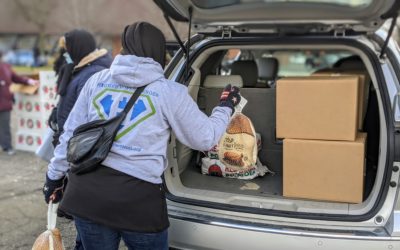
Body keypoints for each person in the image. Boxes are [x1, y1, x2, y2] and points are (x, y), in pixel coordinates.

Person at [42, 21, 241, 249]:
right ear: (157, 51)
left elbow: (70, 135)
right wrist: (225, 106)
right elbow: (204, 138)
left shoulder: (96, 81)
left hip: (87, 196)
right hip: (138, 204)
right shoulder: (169, 92)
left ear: (125, 48)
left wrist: (53, 177)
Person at [52, 29, 112, 146]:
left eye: (68, 49)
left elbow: (84, 112)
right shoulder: (81, 67)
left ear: (77, 48)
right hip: (71, 137)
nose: (66, 53)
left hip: (77, 140)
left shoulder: (92, 72)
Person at [0, 50, 38, 155]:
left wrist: (29, 81)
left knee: (5, 126)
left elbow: (16, 78)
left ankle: (7, 146)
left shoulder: (6, 67)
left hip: (4, 102)